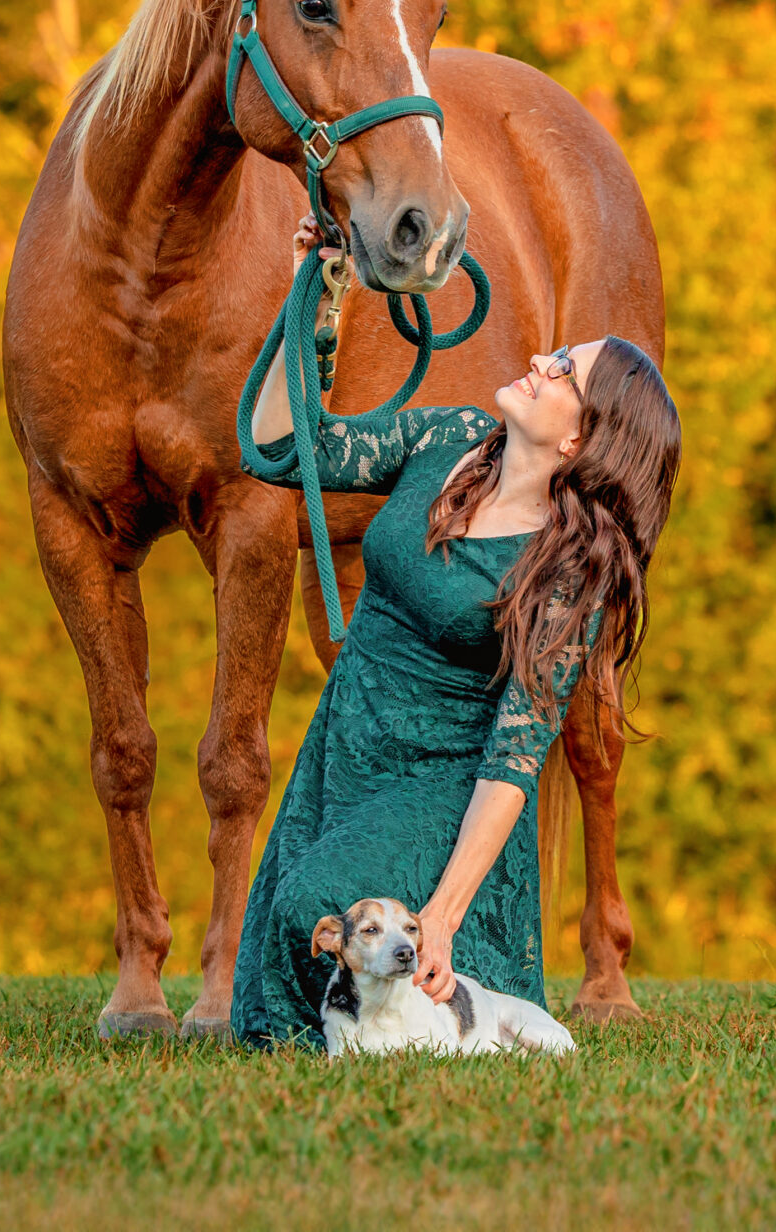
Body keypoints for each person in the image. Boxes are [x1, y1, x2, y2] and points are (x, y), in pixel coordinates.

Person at [230, 215, 682, 1049]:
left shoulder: (566, 573)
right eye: (556, 354)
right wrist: (314, 302)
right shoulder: (450, 441)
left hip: (443, 783)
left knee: (310, 908)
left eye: (564, 372)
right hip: (348, 739)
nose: (541, 361)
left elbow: (516, 758)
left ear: (581, 438)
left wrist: (440, 916)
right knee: (295, 922)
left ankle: (424, 1015)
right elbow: (281, 447)